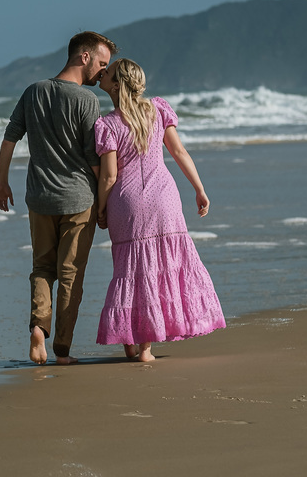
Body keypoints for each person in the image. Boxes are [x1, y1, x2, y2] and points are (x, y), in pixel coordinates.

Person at [0, 31, 117, 365]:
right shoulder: (87, 101)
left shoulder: (33, 91)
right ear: (84, 57)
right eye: (102, 64)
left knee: (41, 268)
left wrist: (1, 183)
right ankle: (62, 349)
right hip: (78, 199)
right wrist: (106, 203)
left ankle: (38, 328)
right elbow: (95, 159)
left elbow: (10, 138)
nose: (103, 73)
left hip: (39, 197)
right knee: (70, 275)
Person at [94, 58, 225, 361]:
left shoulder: (107, 124)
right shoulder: (156, 110)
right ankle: (146, 349)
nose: (103, 72)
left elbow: (110, 176)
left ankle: (130, 341)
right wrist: (199, 188)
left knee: (130, 269)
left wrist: (100, 208)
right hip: (164, 196)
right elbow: (178, 152)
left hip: (127, 203)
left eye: (109, 72)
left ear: (116, 85)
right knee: (161, 265)